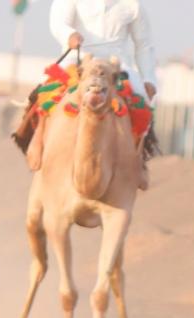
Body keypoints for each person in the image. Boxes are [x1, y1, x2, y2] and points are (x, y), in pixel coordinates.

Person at [21, 0, 158, 186]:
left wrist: (148, 78)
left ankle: (138, 159)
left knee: (143, 103)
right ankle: (38, 139)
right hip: (77, 57)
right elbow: (58, 22)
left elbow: (144, 45)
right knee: (46, 92)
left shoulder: (132, 5)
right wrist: (69, 35)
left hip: (117, 64)